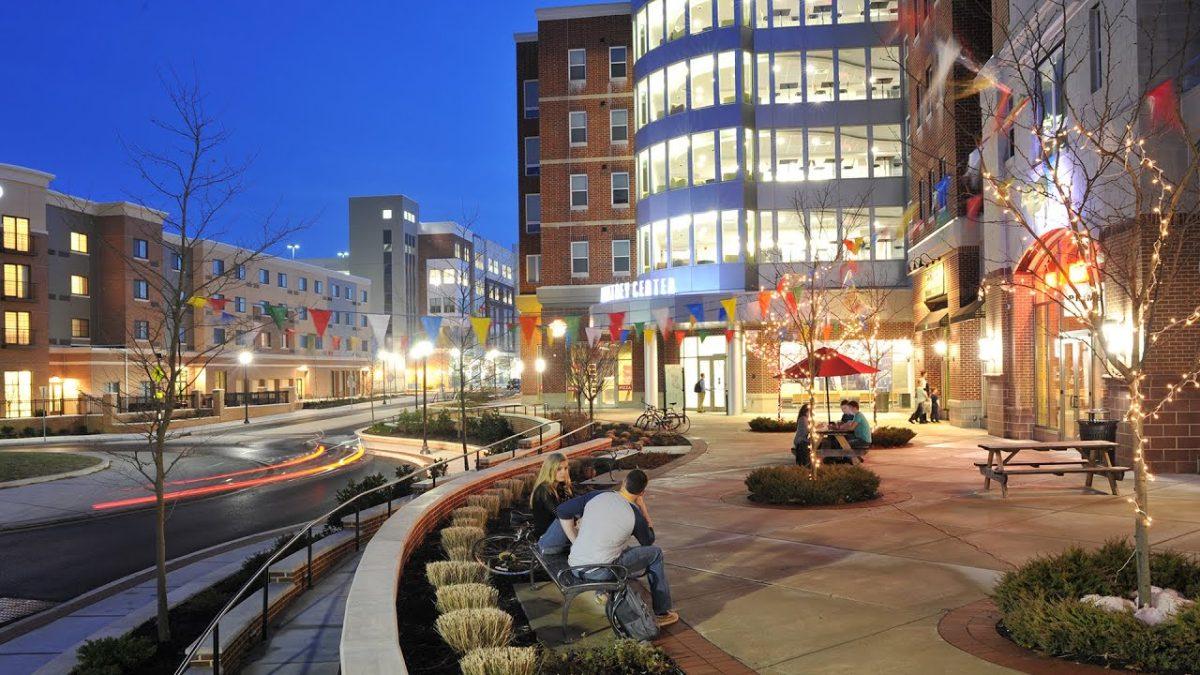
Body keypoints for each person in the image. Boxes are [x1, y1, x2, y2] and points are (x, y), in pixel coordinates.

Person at [556, 469, 679, 627]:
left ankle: (602, 593)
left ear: (623, 483)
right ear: (642, 492)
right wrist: (643, 509)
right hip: (600, 571)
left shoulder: (597, 495)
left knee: (620, 549)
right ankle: (662, 613)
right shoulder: (634, 514)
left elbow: (562, 510)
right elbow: (648, 541)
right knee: (655, 554)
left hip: (575, 565)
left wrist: (575, 539)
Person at [528, 453, 572, 540]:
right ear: (549, 470)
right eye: (559, 469)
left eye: (565, 468)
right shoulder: (543, 490)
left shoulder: (562, 486)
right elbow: (559, 513)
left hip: (560, 531)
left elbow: (575, 504)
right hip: (546, 537)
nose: (563, 472)